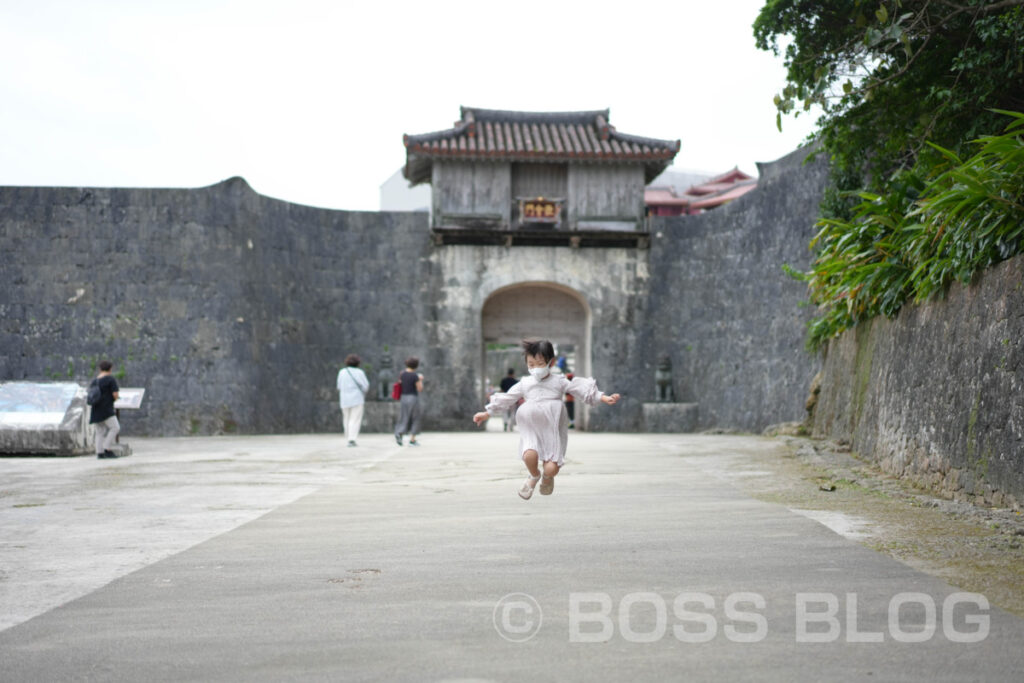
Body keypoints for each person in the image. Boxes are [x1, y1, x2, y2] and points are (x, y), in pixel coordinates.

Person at [473, 339, 619, 499]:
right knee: (529, 455)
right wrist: (487, 413)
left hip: (552, 427)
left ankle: (547, 478)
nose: (535, 368)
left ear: (551, 362)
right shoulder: (525, 382)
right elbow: (508, 398)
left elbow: (580, 390)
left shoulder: (559, 381)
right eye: (531, 364)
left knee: (551, 468)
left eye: (540, 363)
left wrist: (604, 398)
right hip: (531, 426)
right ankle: (534, 476)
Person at [89, 360, 120, 459]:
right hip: (106, 408)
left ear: (100, 369)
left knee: (99, 431)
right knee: (115, 427)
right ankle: (107, 448)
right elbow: (115, 394)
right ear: (110, 369)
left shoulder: (95, 381)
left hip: (96, 408)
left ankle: (99, 452)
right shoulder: (110, 379)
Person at [336, 354, 369, 447]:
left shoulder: (342, 372)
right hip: (357, 398)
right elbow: (365, 386)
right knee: (355, 419)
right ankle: (352, 438)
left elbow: (338, 386)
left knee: (346, 418)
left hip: (344, 399)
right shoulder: (360, 372)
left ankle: (348, 436)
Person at [394, 357, 424, 446]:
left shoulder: (402, 374)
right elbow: (420, 389)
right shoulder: (415, 376)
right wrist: (420, 380)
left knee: (404, 416)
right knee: (415, 418)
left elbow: (400, 383)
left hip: (403, 397)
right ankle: (412, 440)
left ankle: (399, 432)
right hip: (412, 398)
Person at [499, 367, 519, 432]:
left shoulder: (503, 380)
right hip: (513, 399)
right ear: (513, 374)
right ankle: (511, 426)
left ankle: (505, 423)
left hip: (505, 398)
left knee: (504, 412)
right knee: (513, 413)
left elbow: (501, 390)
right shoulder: (516, 381)